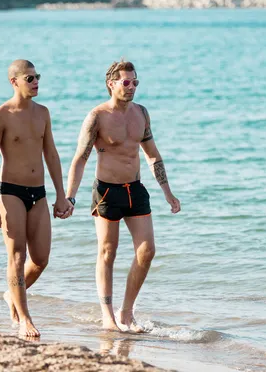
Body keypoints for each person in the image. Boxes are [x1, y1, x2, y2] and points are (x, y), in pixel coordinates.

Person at [65, 60, 181, 332]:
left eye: (135, 82)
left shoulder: (141, 113)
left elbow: (152, 155)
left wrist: (168, 193)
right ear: (112, 84)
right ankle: (107, 314)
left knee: (147, 251)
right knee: (107, 251)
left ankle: (126, 312)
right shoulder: (97, 116)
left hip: (136, 189)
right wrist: (70, 196)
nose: (132, 88)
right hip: (107, 192)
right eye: (126, 82)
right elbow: (80, 159)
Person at [0, 59, 72, 337]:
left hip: (39, 193)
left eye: (37, 77)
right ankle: (24, 319)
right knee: (17, 257)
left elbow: (52, 155)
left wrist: (61, 195)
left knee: (41, 259)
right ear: (15, 82)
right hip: (10, 192)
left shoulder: (43, 113)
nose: (36, 83)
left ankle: (12, 296)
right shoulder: (1, 115)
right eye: (30, 78)